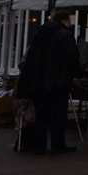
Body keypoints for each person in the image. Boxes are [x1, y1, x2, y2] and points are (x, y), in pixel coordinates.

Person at [17, 10, 80, 154]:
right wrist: (74, 75)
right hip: (59, 83)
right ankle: (58, 144)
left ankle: (40, 145)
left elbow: (31, 57)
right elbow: (72, 59)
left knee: (41, 115)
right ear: (65, 20)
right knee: (58, 115)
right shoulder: (65, 35)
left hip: (39, 82)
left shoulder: (41, 33)